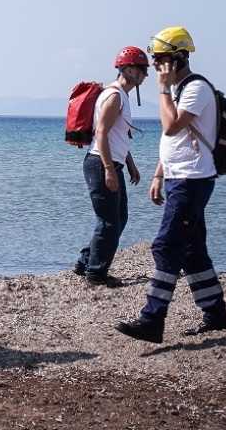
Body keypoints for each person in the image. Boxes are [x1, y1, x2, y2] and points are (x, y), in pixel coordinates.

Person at [115, 26, 226, 343]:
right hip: (180, 178)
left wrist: (164, 90)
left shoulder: (195, 89)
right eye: (154, 58)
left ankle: (152, 320)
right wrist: (158, 174)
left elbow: (170, 126)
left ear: (178, 57)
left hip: (192, 180)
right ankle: (217, 315)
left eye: (160, 58)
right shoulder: (179, 89)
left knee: (166, 246)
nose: (153, 64)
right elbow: (176, 142)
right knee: (193, 250)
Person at [72, 46, 149, 287]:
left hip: (113, 162)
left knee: (119, 218)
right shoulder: (114, 95)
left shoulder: (121, 96)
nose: (145, 75)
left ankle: (85, 262)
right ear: (129, 69)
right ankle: (96, 275)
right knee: (108, 222)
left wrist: (130, 164)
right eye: (143, 69)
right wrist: (108, 169)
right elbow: (102, 134)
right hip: (100, 163)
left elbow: (120, 135)